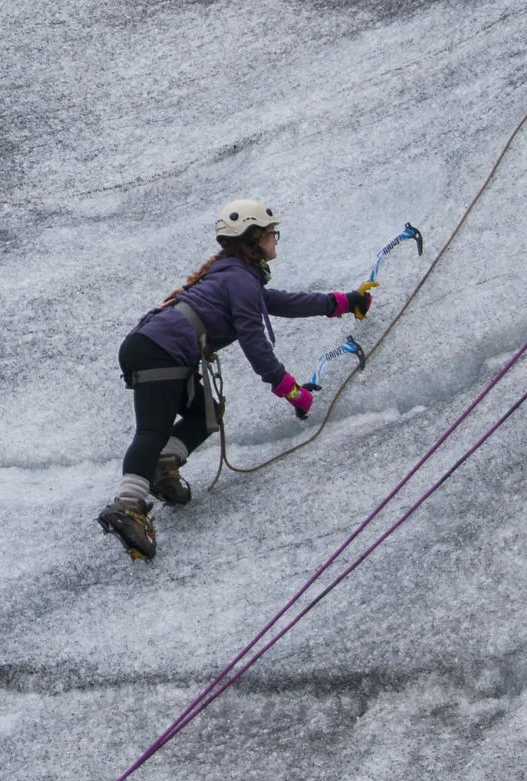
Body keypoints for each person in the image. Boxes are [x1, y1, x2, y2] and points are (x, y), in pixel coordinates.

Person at [98, 200, 370, 562]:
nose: (276, 239)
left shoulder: (237, 276)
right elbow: (254, 341)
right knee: (152, 429)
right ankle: (127, 505)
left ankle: (164, 468)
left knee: (206, 414)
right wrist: (291, 391)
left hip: (154, 347)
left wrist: (341, 302)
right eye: (272, 233)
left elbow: (281, 302)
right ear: (254, 238)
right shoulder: (239, 277)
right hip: (159, 351)